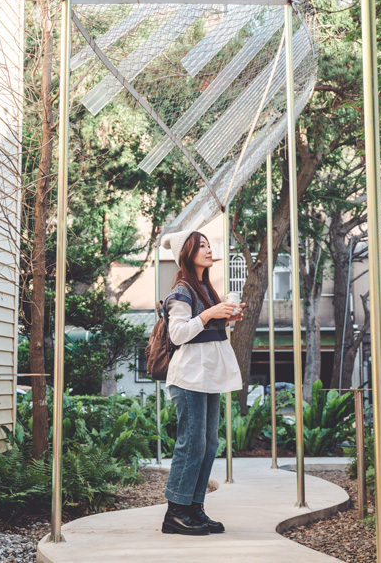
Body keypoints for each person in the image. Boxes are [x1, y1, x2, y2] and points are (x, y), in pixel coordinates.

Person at [159, 229, 244, 536]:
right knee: (191, 443)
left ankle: (195, 508)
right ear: (187, 252)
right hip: (189, 377)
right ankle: (176, 513)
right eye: (202, 246)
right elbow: (178, 334)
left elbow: (206, 334)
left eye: (209, 245)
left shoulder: (206, 289)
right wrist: (209, 314)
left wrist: (225, 319)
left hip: (208, 377)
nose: (209, 250)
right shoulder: (182, 290)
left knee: (208, 444)